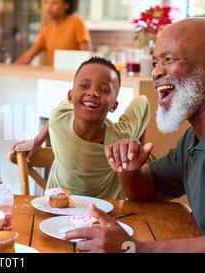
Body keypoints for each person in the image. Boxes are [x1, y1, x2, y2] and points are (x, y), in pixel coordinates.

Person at [65, 18, 205, 252]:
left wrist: (136, 249)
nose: (156, 73)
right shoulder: (192, 141)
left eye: (169, 59)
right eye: (155, 63)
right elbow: (148, 189)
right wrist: (129, 168)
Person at [10, 57, 150, 199]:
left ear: (114, 105)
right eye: (84, 86)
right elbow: (54, 119)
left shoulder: (121, 137)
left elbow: (142, 101)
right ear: (70, 97)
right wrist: (37, 140)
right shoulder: (59, 119)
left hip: (106, 214)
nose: (92, 93)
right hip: (55, 210)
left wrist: (138, 157)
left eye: (104, 90)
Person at [15, 0, 92, 66]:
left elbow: (86, 58)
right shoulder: (46, 31)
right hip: (55, 78)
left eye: (54, 3)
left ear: (66, 5)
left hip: (73, 78)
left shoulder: (77, 23)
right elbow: (27, 58)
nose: (48, 7)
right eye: (46, 2)